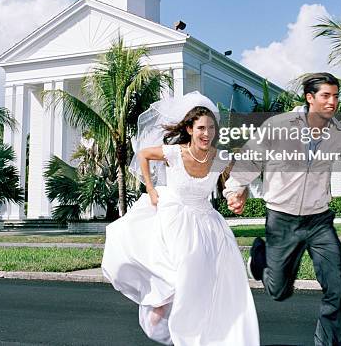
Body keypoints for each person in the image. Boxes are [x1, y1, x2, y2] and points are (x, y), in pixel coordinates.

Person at [224, 73, 341, 346]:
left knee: (337, 288)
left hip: (319, 219)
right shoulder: (278, 126)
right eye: (326, 96)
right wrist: (234, 190)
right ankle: (260, 257)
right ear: (310, 98)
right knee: (279, 291)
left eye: (336, 96)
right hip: (281, 217)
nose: (333, 102)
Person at [102, 91, 260, 346]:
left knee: (208, 280)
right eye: (201, 128)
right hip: (175, 217)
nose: (206, 133)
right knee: (181, 274)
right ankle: (165, 312)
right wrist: (151, 190)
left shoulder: (220, 157)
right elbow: (143, 155)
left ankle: (206, 333)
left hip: (207, 222)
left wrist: (237, 196)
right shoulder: (175, 152)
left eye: (211, 128)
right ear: (189, 128)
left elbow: (234, 183)